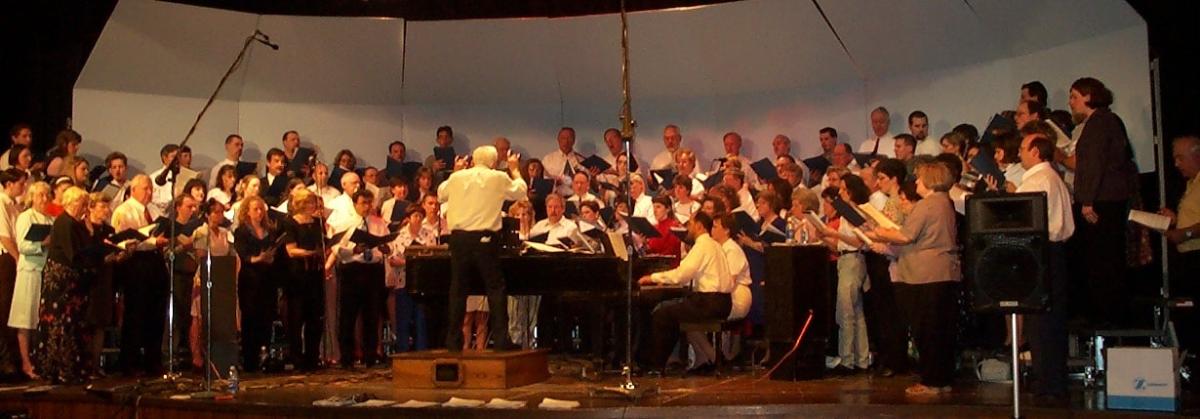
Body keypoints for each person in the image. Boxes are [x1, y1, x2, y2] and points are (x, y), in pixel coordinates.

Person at [866, 162, 960, 397]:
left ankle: (931, 381)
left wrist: (879, 232)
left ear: (930, 179)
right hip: (941, 271)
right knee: (939, 330)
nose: (915, 182)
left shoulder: (927, 205)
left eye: (919, 179)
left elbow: (906, 235)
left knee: (926, 330)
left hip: (925, 275)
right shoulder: (944, 202)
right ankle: (941, 380)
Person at [438, 145, 526, 352]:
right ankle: (501, 340)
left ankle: (453, 340)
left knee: (458, 289)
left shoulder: (458, 177)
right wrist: (514, 170)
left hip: (458, 239)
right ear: (494, 162)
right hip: (485, 239)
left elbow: (441, 194)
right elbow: (520, 192)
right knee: (495, 288)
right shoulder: (497, 177)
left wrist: (457, 171)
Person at [1068, 77, 1139, 327]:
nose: (1071, 103)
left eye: (1074, 97)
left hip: (1102, 201)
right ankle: (1110, 318)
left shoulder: (1099, 123)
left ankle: (1108, 321)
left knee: (1103, 264)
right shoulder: (1107, 121)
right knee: (1105, 263)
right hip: (1108, 199)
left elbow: (1093, 164)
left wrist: (1087, 201)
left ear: (1089, 97)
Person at [1013, 125, 1075, 400]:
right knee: (1050, 320)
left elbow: (1020, 217)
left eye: (1023, 148)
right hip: (1055, 252)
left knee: (1041, 322)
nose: (1019, 152)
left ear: (1035, 151)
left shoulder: (1038, 181)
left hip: (1042, 252)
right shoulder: (1053, 177)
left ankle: (1047, 383)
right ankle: (1052, 381)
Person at [638, 212, 732, 373]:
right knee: (669, 311)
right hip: (723, 301)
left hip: (708, 302)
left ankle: (654, 365)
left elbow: (682, 274)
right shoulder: (714, 245)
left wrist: (652, 277)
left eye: (690, 223)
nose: (688, 227)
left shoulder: (702, 246)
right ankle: (662, 362)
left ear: (699, 226)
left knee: (662, 315)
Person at [111, 174, 169, 375]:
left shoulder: (152, 209)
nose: (149, 192)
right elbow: (123, 241)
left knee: (157, 312)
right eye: (145, 188)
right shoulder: (124, 211)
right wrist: (152, 241)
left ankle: (153, 360)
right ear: (133, 189)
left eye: (151, 188)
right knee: (136, 313)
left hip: (155, 261)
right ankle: (130, 361)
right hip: (136, 263)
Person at [33, 186, 92, 383]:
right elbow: (72, 253)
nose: (82, 207)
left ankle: (73, 367)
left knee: (73, 324)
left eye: (84, 204)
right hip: (60, 283)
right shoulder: (64, 222)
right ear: (68, 203)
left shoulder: (78, 224)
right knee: (60, 324)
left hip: (73, 283)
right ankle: (60, 368)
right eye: (79, 203)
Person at [816, 175, 871, 374]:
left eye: (843, 189)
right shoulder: (849, 213)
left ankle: (848, 359)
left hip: (852, 259)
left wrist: (834, 234)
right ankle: (861, 358)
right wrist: (828, 237)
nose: (839, 193)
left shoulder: (853, 212)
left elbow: (858, 241)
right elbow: (843, 244)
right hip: (845, 258)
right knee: (855, 311)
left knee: (846, 311)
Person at [9, 181, 53, 379]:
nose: (45, 199)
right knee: (25, 318)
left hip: (45, 271)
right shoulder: (26, 217)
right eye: (41, 195)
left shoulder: (50, 219)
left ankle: (41, 360)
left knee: (40, 319)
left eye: (47, 195)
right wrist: (42, 244)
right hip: (29, 271)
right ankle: (26, 363)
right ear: (32, 197)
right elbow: (23, 245)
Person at [189, 199, 238, 371]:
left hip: (222, 281)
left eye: (221, 212)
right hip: (204, 277)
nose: (219, 215)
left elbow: (232, 255)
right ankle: (196, 355)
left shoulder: (225, 233)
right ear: (208, 214)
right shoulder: (201, 232)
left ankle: (218, 355)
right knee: (199, 317)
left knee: (220, 317)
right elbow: (200, 256)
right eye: (215, 212)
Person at [280, 188, 325, 371]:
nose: (312, 205)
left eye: (313, 202)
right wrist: (310, 252)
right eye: (308, 202)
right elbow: (291, 250)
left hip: (314, 273)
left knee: (315, 318)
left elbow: (322, 243)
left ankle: (312, 358)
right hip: (297, 275)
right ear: (300, 204)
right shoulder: (290, 223)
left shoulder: (317, 223)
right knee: (296, 318)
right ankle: (297, 358)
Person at [232, 195, 279, 372]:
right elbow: (243, 254)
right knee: (250, 318)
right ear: (247, 212)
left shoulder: (271, 231)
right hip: (250, 279)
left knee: (266, 318)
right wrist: (260, 258)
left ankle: (264, 355)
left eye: (261, 209)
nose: (259, 213)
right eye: (255, 209)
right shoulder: (242, 231)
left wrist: (271, 258)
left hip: (267, 279)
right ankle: (250, 359)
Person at [389, 205, 437, 352]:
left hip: (422, 283)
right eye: (415, 216)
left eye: (420, 217)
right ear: (408, 218)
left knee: (421, 319)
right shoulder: (399, 236)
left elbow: (433, 257)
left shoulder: (429, 235)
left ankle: (421, 351)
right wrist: (411, 261)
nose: (418, 219)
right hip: (403, 282)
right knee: (403, 319)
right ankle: (403, 351)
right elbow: (393, 259)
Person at [0, 169, 27, 378]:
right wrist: (18, 258)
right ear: (9, 184)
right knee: (4, 307)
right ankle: (5, 361)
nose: (23, 187)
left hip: (14, 258)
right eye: (20, 184)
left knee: (13, 309)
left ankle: (14, 360)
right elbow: (5, 236)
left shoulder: (14, 204)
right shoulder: (1, 202)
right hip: (6, 259)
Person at [542, 127, 584, 197]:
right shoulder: (548, 159)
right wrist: (554, 182)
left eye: (569, 138)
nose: (566, 141)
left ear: (574, 140)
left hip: (576, 197)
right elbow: (543, 181)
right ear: (558, 140)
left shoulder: (581, 160)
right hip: (555, 198)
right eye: (563, 138)